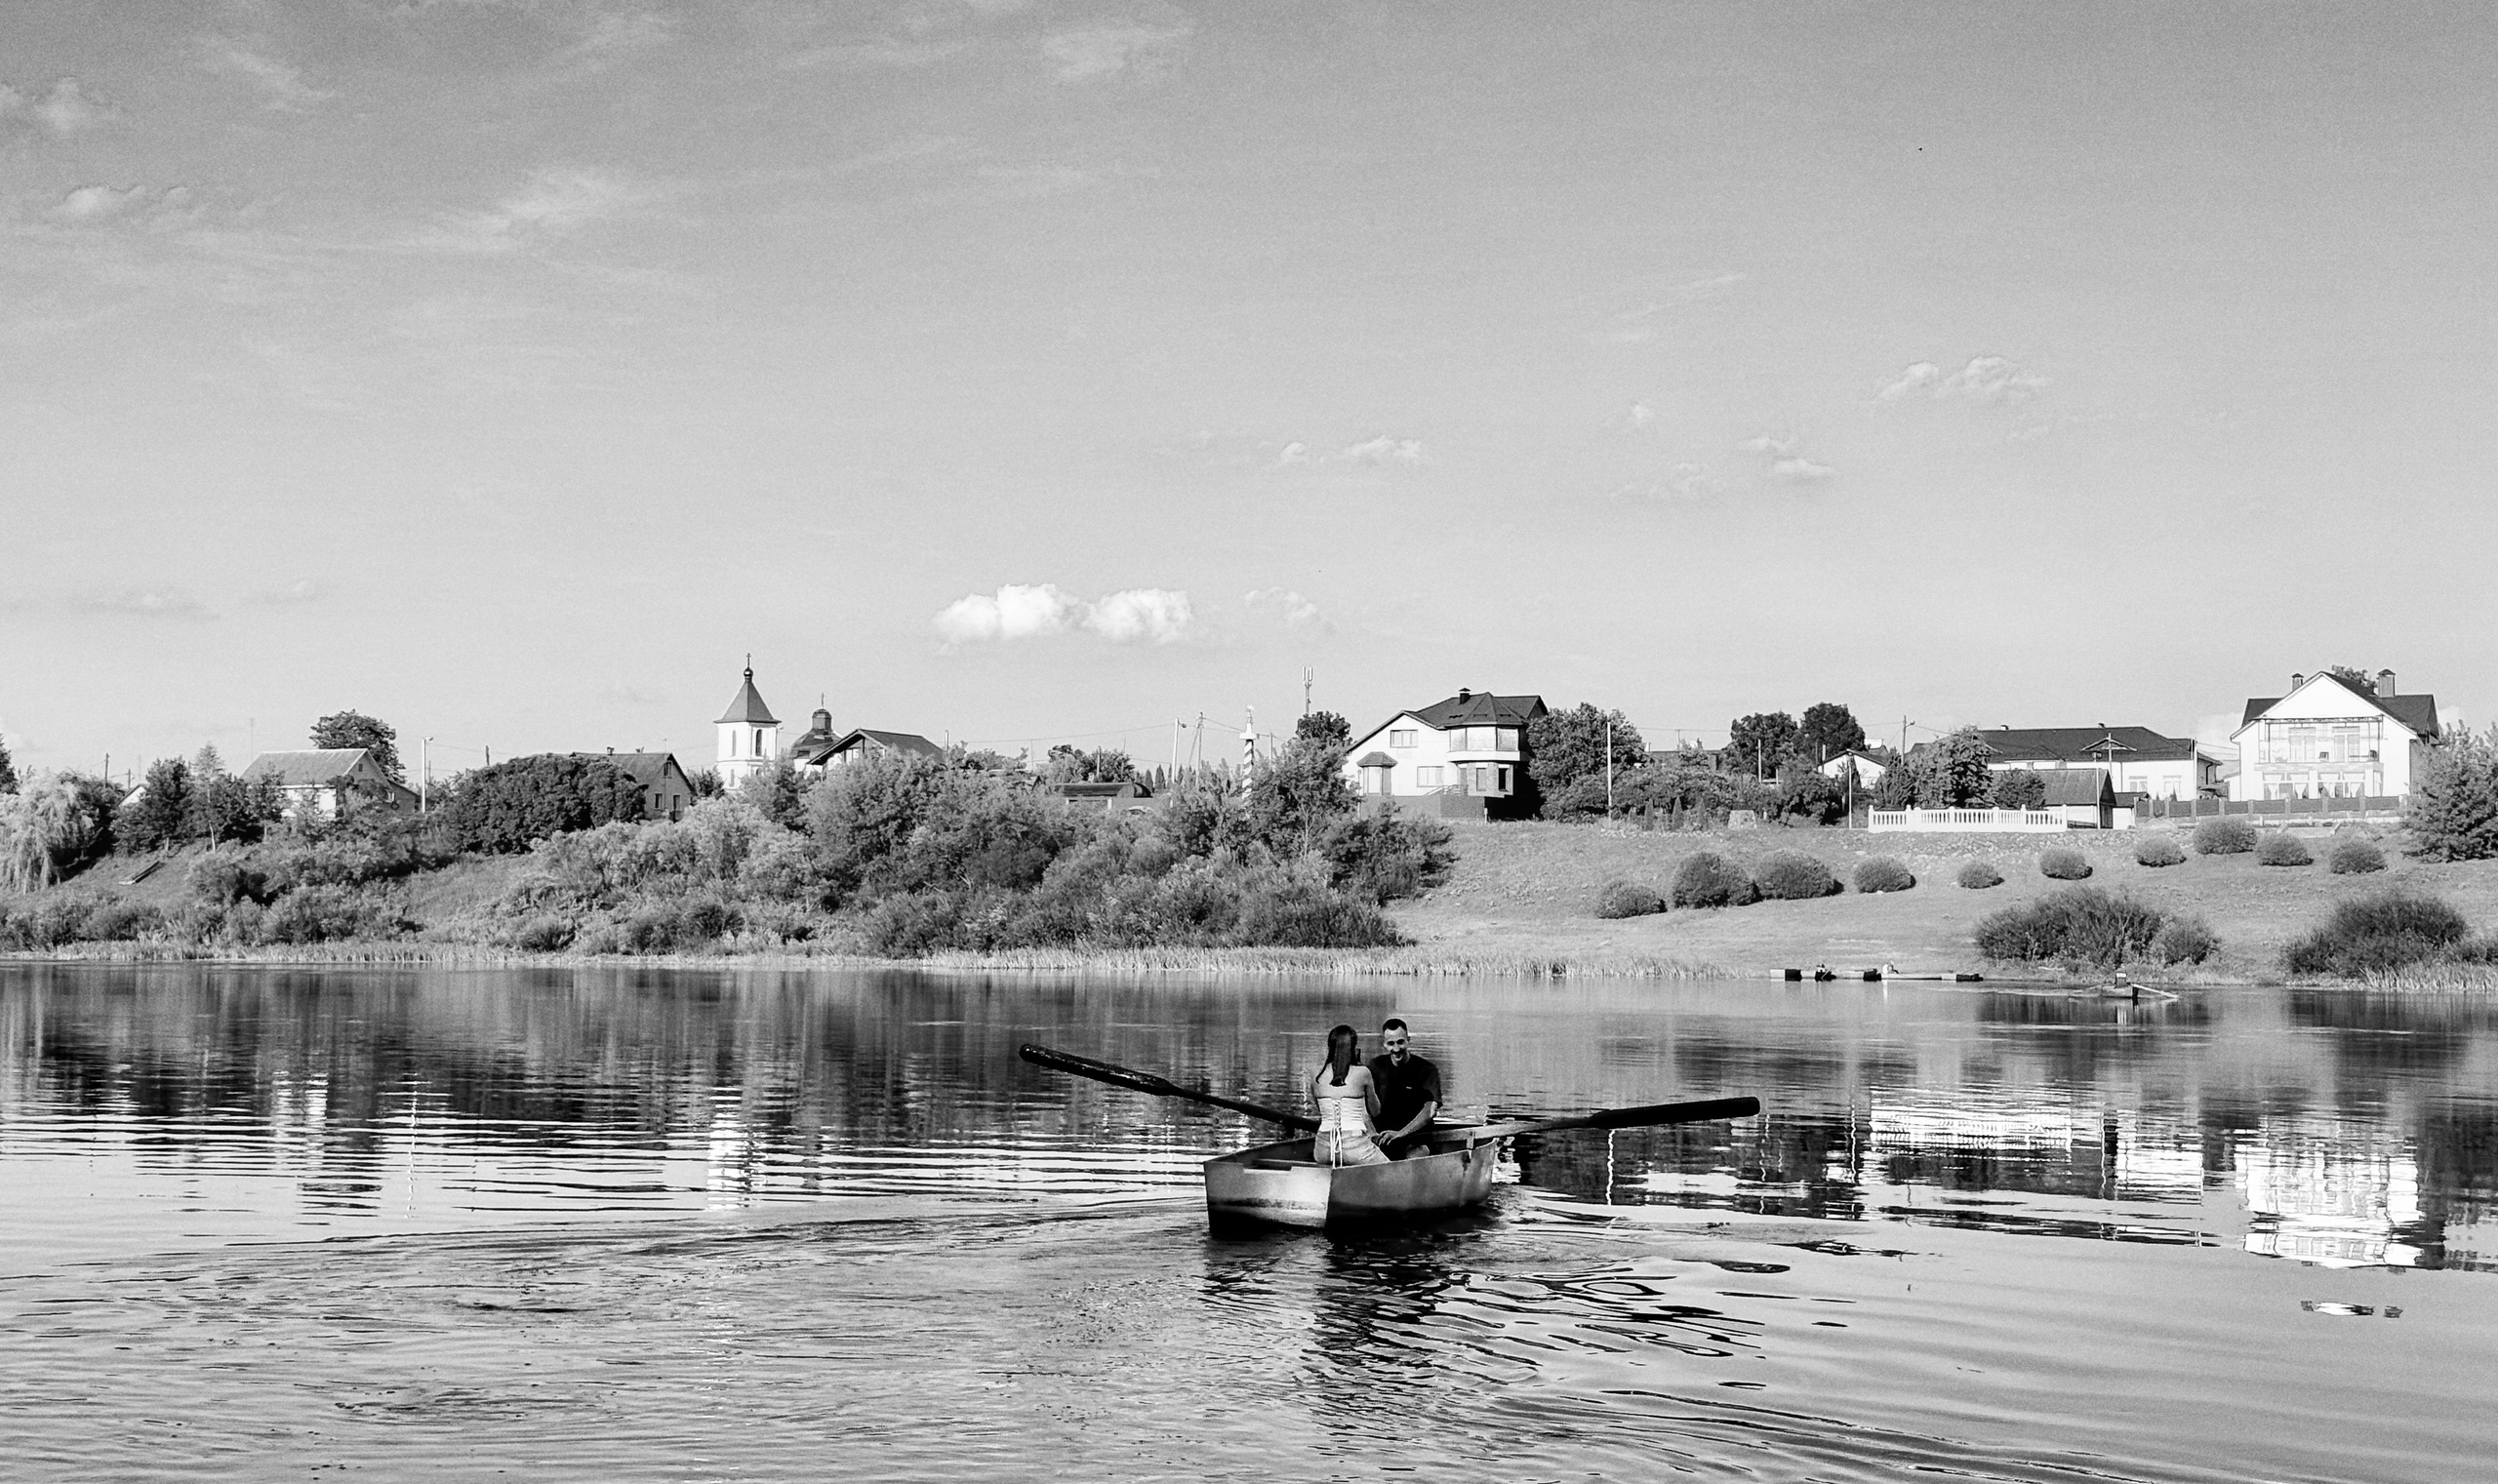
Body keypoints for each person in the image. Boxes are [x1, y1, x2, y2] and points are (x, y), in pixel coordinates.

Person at [1309, 1023, 1389, 1167]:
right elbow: (1375, 1111)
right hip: (1355, 1147)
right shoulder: (1362, 1072)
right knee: (1390, 1171)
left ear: (1330, 1047)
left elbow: (1319, 1109)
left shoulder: (1316, 1074)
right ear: (1353, 1047)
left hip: (1323, 1148)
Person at [1365, 1017, 1442, 1159]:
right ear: (1384, 1044)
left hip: (1416, 1139)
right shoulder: (1375, 1066)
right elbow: (1361, 1104)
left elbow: (1429, 1111)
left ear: (1408, 1040)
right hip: (1382, 1138)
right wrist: (1372, 1133)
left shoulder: (1426, 1070)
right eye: (1391, 1043)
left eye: (1400, 1042)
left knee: (1416, 1157)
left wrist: (1400, 1133)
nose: (1396, 1049)